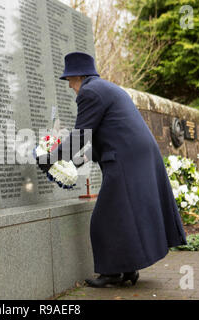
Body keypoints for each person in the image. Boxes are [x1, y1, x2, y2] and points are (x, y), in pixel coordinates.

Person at [37, 52, 187, 287]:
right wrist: (73, 162)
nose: (71, 88)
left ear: (77, 77)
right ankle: (127, 270)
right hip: (134, 154)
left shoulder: (89, 92)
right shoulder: (104, 88)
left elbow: (79, 136)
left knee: (104, 218)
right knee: (123, 215)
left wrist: (51, 158)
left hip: (127, 157)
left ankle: (111, 273)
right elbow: (98, 136)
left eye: (70, 82)